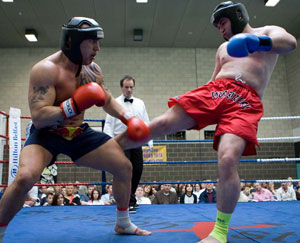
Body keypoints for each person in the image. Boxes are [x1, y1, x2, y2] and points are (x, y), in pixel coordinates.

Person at [115, 2, 297, 242]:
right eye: (218, 26)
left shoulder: (267, 32)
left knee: (229, 157)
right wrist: (195, 103)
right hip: (217, 90)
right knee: (162, 123)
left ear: (237, 16)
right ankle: (108, 147)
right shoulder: (223, 48)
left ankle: (219, 233)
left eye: (223, 22)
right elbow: (213, 80)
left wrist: (257, 43)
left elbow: (291, 43)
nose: (220, 29)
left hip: (246, 100)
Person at [0, 16, 151, 240]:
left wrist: (130, 118)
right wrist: (74, 105)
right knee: (24, 178)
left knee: (124, 167)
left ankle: (123, 222)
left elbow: (107, 99)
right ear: (73, 41)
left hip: (78, 132)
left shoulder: (92, 71)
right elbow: (40, 117)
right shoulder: (45, 70)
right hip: (47, 134)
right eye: (92, 42)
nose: (97, 48)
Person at [103, 75, 153, 213]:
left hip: (136, 140)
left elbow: (146, 121)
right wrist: (109, 143)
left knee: (138, 169)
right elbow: (108, 124)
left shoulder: (140, 103)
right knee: (126, 171)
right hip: (120, 141)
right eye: (126, 87)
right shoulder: (114, 103)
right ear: (121, 87)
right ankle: (129, 201)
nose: (129, 89)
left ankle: (130, 198)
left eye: (131, 87)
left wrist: (149, 140)